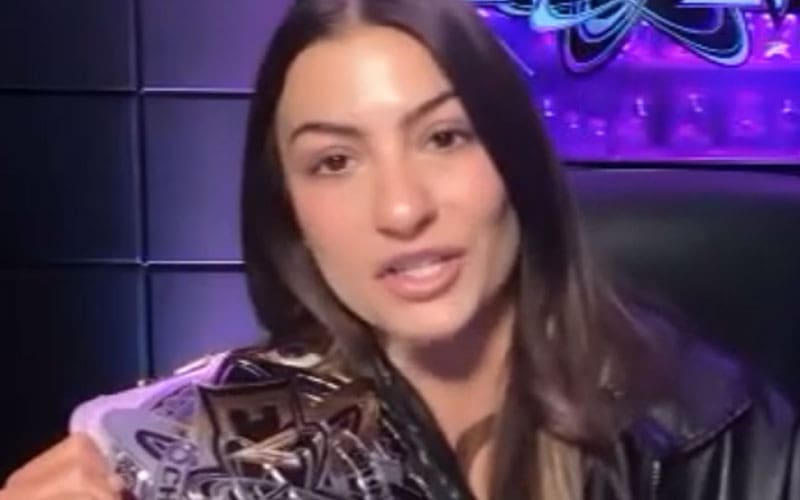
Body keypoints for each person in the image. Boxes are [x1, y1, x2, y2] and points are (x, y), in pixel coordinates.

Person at [2, 0, 798, 499]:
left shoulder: (713, 431)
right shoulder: (207, 449)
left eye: (445, 137)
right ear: (291, 213)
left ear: (515, 161)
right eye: (334, 161)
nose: (403, 208)